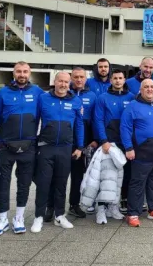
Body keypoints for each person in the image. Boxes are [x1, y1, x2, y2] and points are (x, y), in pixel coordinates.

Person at [0, 61, 43, 236]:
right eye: (19, 71)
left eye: (25, 71)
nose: (22, 74)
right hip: (5, 146)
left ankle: (19, 217)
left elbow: (47, 115)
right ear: (14, 73)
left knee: (24, 184)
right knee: (3, 183)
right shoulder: (3, 93)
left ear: (30, 73)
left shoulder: (38, 92)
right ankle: (2, 218)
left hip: (29, 146)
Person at [31, 72, 84, 233]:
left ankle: (60, 215)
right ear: (54, 82)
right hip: (46, 147)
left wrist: (80, 146)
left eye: (66, 82)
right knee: (43, 183)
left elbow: (79, 125)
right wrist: (33, 143)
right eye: (60, 81)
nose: (63, 84)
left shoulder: (75, 100)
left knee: (61, 184)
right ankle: (39, 216)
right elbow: (35, 120)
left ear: (70, 83)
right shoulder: (44, 98)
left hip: (66, 148)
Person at [120, 78, 153, 227]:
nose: (149, 89)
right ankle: (133, 213)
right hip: (142, 152)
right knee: (137, 183)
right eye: (146, 87)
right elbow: (125, 128)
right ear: (140, 90)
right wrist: (129, 148)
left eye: (152, 87)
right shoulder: (133, 107)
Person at [93, 68, 135, 222]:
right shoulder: (103, 98)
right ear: (111, 80)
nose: (118, 81)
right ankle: (101, 210)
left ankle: (114, 207)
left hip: (125, 144)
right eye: (115, 78)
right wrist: (103, 141)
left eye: (120, 78)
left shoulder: (131, 97)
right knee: (106, 178)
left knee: (119, 178)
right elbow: (98, 120)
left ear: (124, 80)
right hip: (109, 143)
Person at [66, 67, 98, 219]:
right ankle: (52, 206)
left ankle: (74, 204)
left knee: (78, 175)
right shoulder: (66, 93)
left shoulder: (92, 95)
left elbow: (95, 119)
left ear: (86, 79)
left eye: (82, 77)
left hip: (83, 142)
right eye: (76, 77)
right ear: (71, 78)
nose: (79, 80)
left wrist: (94, 139)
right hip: (65, 140)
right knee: (59, 175)